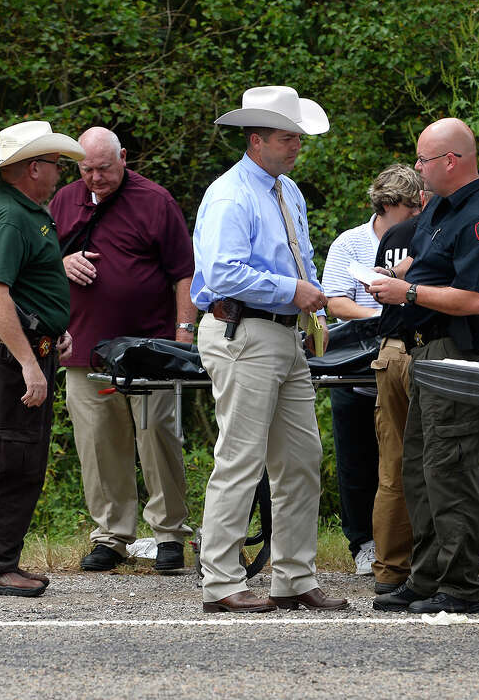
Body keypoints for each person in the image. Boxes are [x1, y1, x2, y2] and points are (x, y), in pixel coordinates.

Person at [191, 85, 348, 613]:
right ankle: (221, 581)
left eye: (298, 137)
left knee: (302, 458)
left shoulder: (287, 191)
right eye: (287, 137)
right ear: (255, 140)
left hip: (282, 332)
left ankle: (293, 576)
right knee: (240, 457)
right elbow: (222, 273)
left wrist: (313, 313)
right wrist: (294, 292)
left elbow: (301, 260)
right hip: (242, 330)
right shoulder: (231, 195)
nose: (297, 145)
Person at [368, 118, 479, 615]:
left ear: (451, 161)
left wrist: (407, 292)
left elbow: (477, 298)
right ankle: (426, 576)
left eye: (424, 159)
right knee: (420, 467)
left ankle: (461, 585)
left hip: (461, 351)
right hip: (426, 350)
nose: (418, 167)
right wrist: (399, 275)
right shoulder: (440, 209)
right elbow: (433, 264)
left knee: (451, 467)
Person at [49, 127, 196, 574]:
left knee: (157, 438)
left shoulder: (155, 201)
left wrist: (184, 336)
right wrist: (61, 262)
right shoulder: (63, 201)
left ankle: (169, 535)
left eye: (104, 168)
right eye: (86, 169)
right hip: (84, 350)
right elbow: (36, 265)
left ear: (124, 158)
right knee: (98, 444)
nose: (95, 178)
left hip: (149, 351)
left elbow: (185, 272)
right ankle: (111, 536)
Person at [0, 120, 83, 598]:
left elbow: (26, 286)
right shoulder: (10, 216)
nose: (60, 174)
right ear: (34, 168)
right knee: (12, 459)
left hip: (25, 347)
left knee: (22, 457)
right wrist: (29, 364)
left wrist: (52, 329)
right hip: (11, 357)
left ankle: (2, 561)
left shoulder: (21, 209)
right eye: (56, 165)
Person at [320, 164, 423, 578]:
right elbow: (334, 301)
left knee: (404, 456)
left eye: (420, 204)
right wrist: (380, 317)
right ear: (386, 204)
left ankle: (409, 542)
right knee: (356, 458)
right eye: (409, 206)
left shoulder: (424, 239)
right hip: (356, 364)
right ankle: (362, 542)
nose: (416, 212)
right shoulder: (350, 243)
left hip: (405, 357)